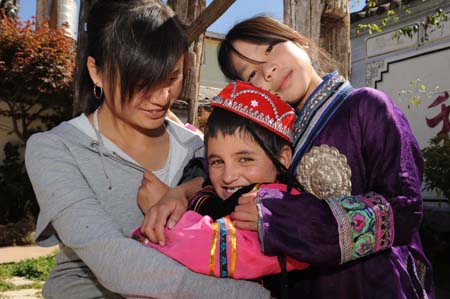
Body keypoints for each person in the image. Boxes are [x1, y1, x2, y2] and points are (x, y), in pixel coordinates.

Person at [142, 15, 434, 299]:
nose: (268, 70)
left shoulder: (367, 106)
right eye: (252, 74)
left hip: (373, 284)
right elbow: (217, 169)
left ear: (300, 42)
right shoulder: (274, 134)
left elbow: (403, 209)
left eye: (269, 49)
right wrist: (180, 193)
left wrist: (283, 218)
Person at [24, 1, 271, 298]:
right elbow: (114, 263)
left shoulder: (200, 151)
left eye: (171, 78)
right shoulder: (55, 149)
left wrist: (187, 189)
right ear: (97, 72)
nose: (161, 97)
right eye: (141, 82)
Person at [131, 81, 309, 287]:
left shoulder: (279, 208)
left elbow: (210, 247)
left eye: (245, 159)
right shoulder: (218, 196)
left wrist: (163, 219)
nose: (228, 176)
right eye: (217, 162)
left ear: (283, 159)